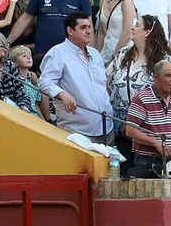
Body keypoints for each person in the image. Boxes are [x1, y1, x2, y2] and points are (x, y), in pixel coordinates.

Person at [38, 12, 114, 141]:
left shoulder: (95, 54)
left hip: (106, 126)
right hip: (77, 130)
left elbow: (103, 85)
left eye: (89, 27)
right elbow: (44, 82)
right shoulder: (57, 53)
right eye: (83, 28)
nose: (89, 31)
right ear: (70, 30)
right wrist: (62, 94)